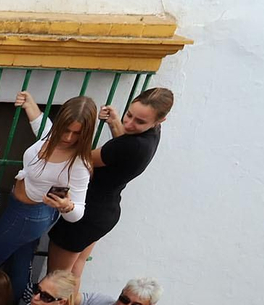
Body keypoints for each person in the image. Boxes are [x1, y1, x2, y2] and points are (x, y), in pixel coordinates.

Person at [0, 94, 97, 303]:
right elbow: (42, 127)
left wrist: (67, 206)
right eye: (65, 129)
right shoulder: (51, 135)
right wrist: (29, 104)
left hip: (28, 216)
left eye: (77, 133)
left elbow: (77, 213)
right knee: (19, 267)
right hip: (22, 210)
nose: (68, 137)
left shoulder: (79, 164)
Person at [47, 87, 174, 277]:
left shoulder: (131, 145)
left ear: (160, 120)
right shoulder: (151, 134)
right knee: (73, 272)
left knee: (57, 278)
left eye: (139, 121)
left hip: (87, 213)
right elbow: (120, 150)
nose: (129, 124)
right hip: (104, 212)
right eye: (129, 115)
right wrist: (114, 123)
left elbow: (82, 160)